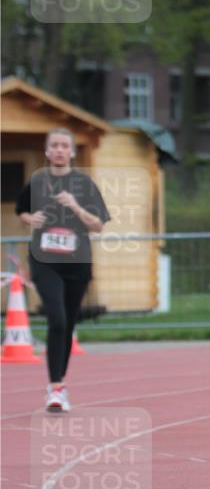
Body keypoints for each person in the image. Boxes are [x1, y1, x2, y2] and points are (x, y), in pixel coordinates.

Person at [16, 127, 111, 412]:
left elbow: (98, 224)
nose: (58, 150)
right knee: (56, 319)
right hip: (45, 262)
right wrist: (30, 218)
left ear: (71, 151)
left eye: (63, 146)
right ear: (47, 151)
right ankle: (55, 389)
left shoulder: (83, 184)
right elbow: (20, 211)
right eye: (54, 145)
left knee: (67, 325)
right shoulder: (37, 182)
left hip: (77, 263)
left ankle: (60, 382)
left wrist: (76, 208)